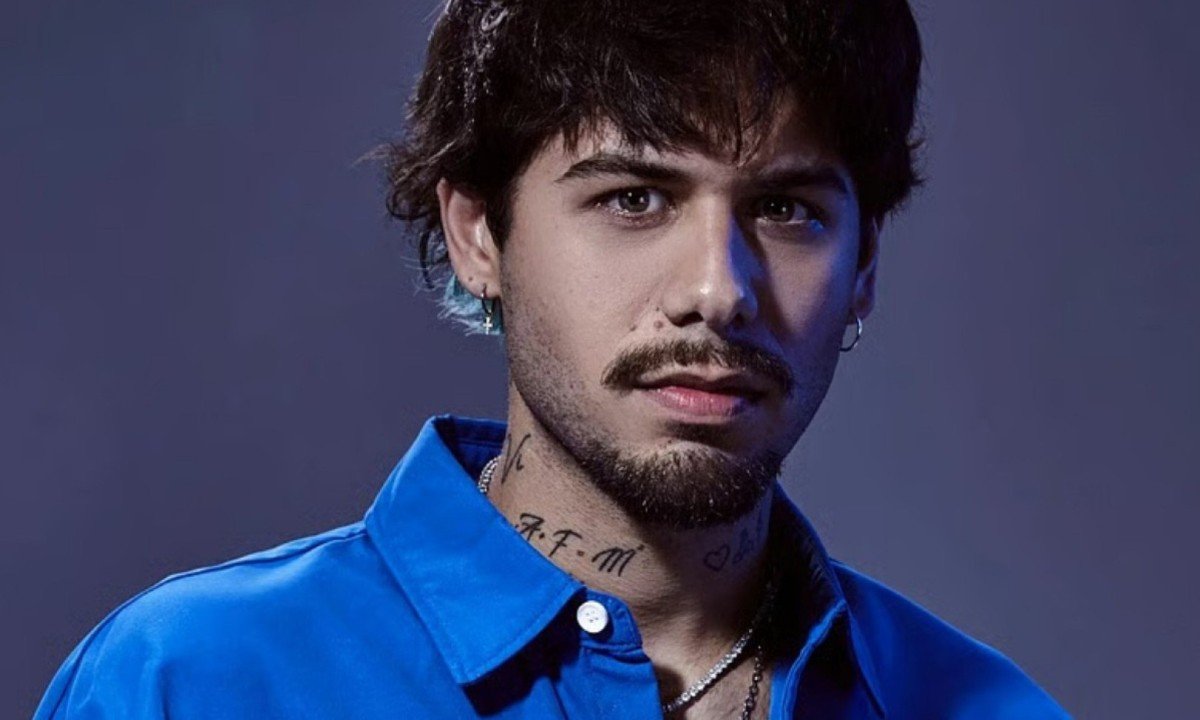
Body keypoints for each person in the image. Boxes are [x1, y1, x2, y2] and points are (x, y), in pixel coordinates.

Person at [35, 0, 1069, 718]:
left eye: (787, 210)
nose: (718, 289)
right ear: (479, 234)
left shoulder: (987, 708)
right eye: (634, 198)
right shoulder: (191, 685)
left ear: (865, 266)